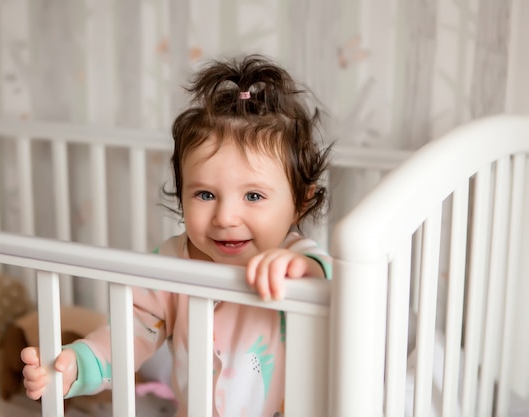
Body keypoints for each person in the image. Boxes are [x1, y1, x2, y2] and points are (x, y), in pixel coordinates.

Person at [21, 54, 332, 417]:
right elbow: (128, 334)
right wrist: (74, 367)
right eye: (205, 195)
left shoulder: (296, 259)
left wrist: (299, 268)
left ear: (299, 201)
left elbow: (332, 281)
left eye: (253, 196)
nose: (226, 217)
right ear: (182, 194)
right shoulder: (170, 265)